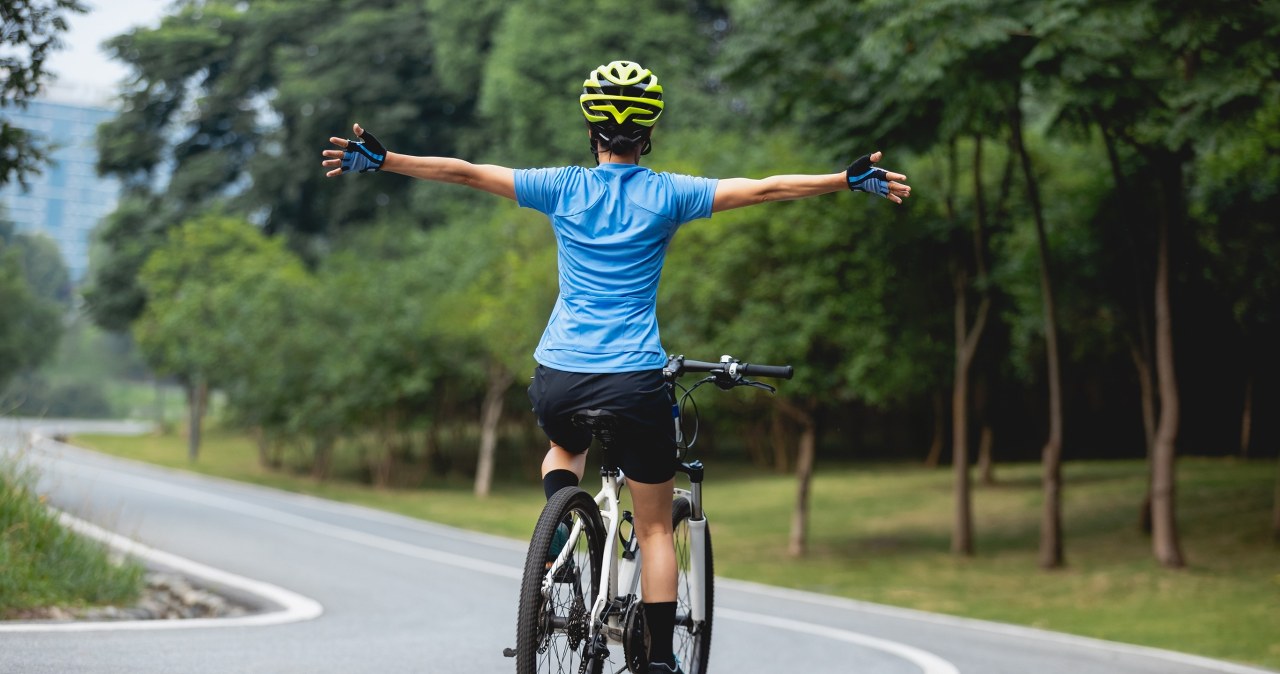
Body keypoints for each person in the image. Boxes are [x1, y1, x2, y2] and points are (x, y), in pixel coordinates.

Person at [322, 60, 910, 674]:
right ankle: (656, 662)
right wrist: (845, 179)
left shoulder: (562, 187)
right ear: (648, 134)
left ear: (591, 131)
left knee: (562, 451)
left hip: (560, 375)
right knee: (655, 527)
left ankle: (559, 533)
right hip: (633, 381)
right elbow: (764, 188)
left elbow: (467, 174)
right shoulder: (671, 194)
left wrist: (386, 161)